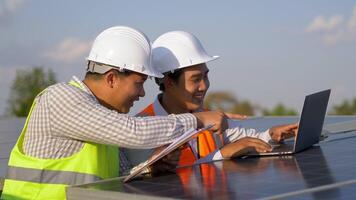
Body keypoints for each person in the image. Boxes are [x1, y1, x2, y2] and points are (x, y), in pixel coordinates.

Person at [1, 26, 240, 200]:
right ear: (112, 78)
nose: (142, 93)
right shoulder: (59, 98)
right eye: (139, 83)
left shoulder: (103, 118)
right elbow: (133, 131)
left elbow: (119, 176)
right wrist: (197, 120)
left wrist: (150, 169)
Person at [123, 31, 298, 168]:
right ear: (169, 82)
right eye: (196, 79)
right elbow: (155, 180)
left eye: (205, 77)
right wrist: (222, 154)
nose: (204, 86)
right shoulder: (142, 128)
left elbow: (250, 140)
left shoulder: (209, 117)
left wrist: (272, 135)